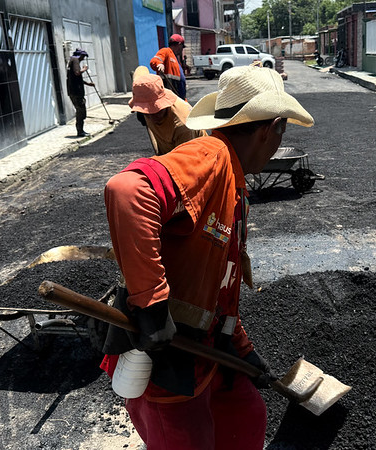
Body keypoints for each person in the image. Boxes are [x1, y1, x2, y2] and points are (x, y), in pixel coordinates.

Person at [101, 65, 314, 449]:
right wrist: (151, 305)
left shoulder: (232, 176)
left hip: (206, 345)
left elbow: (219, 277)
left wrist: (242, 349)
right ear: (271, 128)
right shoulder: (210, 155)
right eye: (283, 131)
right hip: (167, 358)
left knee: (247, 412)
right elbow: (127, 190)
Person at [129, 66, 206, 155]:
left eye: (155, 112)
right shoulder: (145, 89)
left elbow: (184, 163)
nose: (151, 117)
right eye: (146, 112)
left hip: (195, 157)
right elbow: (141, 70)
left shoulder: (182, 125)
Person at [67, 48, 95, 137]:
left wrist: (88, 83)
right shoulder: (75, 60)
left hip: (74, 91)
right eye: (83, 56)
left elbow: (76, 78)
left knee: (81, 111)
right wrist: (84, 69)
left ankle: (81, 130)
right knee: (81, 111)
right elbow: (77, 73)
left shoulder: (72, 60)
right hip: (76, 92)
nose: (83, 59)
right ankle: (80, 131)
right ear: (79, 55)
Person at [149, 34, 187, 100]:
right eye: (182, 47)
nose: (182, 50)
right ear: (179, 45)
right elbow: (155, 60)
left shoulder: (175, 58)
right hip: (169, 96)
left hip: (178, 96)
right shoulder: (166, 51)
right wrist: (159, 64)